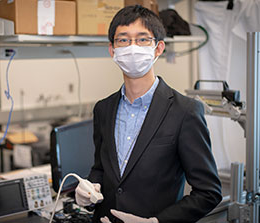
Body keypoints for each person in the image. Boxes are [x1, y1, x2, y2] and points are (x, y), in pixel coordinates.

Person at [75, 5, 222, 223]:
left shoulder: (185, 112)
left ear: (158, 48)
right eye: (123, 40)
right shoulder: (103, 109)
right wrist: (89, 188)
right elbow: (100, 168)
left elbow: (208, 193)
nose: (132, 47)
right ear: (112, 50)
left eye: (142, 39)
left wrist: (156, 222)